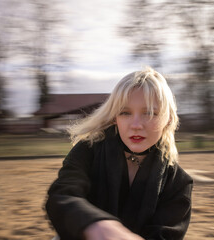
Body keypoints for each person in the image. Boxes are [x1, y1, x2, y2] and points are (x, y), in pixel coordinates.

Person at [45, 66, 193, 240]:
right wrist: (97, 226)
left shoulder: (178, 182)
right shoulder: (87, 151)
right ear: (115, 117)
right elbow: (62, 196)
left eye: (150, 113)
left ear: (167, 119)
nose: (136, 124)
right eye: (125, 113)